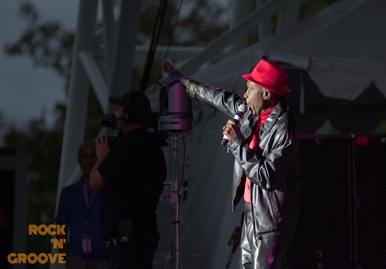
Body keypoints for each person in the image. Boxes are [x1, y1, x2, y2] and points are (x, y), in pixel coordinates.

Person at [162, 59, 301, 269]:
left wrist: (236, 142)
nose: (245, 95)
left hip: (271, 220)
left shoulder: (284, 129)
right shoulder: (250, 113)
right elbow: (219, 98)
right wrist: (185, 82)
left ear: (266, 94)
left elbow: (267, 176)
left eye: (249, 90)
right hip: (251, 213)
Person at [90, 90, 167, 269]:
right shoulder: (153, 145)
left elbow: (95, 181)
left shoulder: (126, 147)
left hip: (126, 240)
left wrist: (102, 156)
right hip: (145, 233)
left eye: (118, 109)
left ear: (128, 114)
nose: (115, 114)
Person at [55, 141, 109, 269]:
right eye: (85, 157)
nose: (89, 160)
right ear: (79, 161)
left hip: (103, 259)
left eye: (93, 156)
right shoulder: (69, 193)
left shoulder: (107, 191)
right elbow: (61, 229)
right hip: (77, 258)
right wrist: (66, 257)